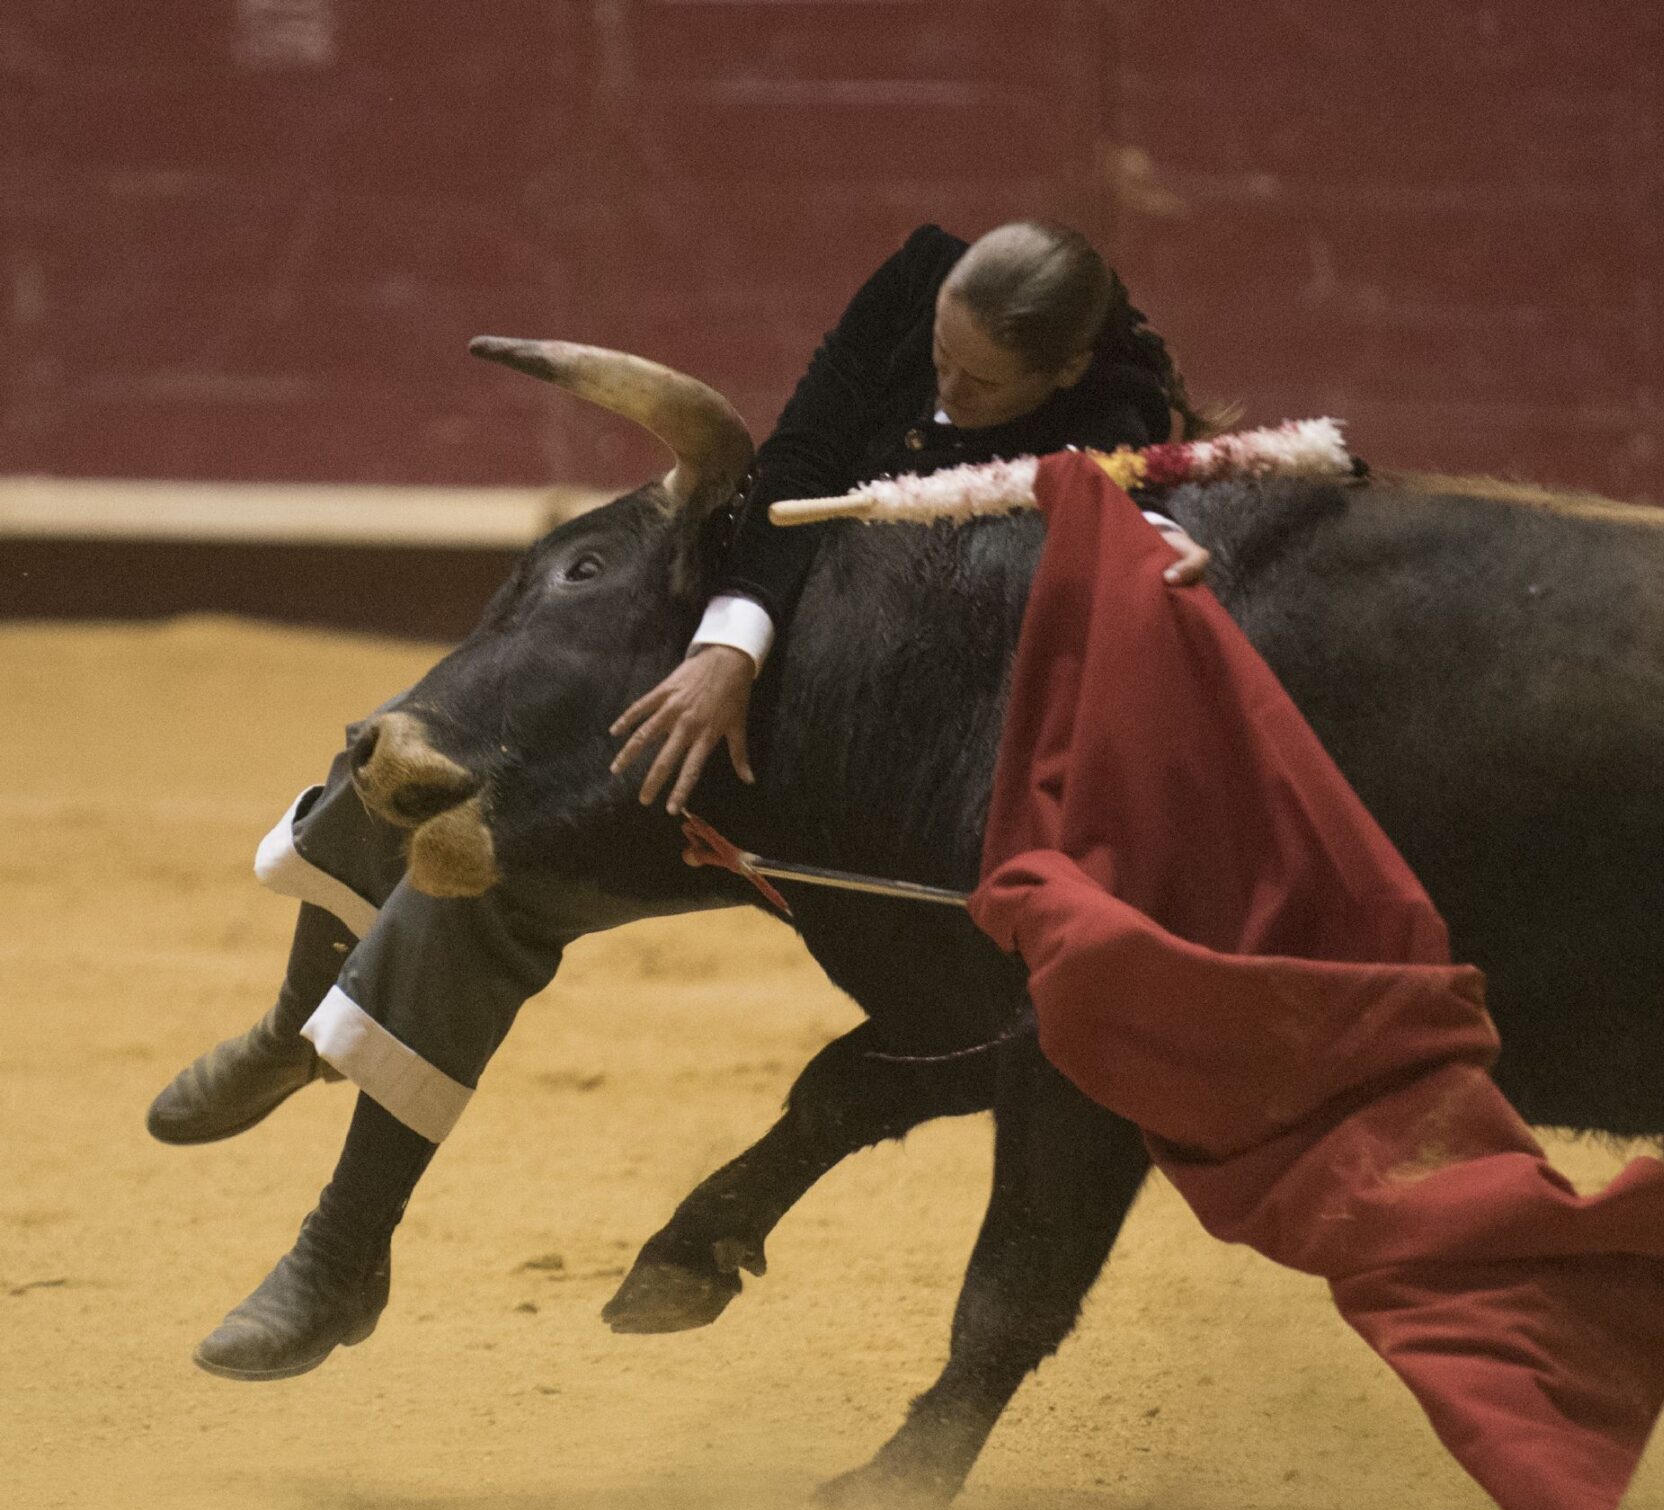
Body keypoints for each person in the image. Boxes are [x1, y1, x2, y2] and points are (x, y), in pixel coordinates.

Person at [152, 221, 1219, 1380]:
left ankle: (324, 1162)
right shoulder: (923, 282)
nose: (947, 390)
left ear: (1062, 376)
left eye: (982, 383)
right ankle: (326, 1185)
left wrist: (1151, 542)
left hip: (876, 768)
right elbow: (801, 459)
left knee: (503, 851)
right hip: (744, 632)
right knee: (454, 784)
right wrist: (731, 647)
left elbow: (1099, 566)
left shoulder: (1115, 425)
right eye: (941, 357)